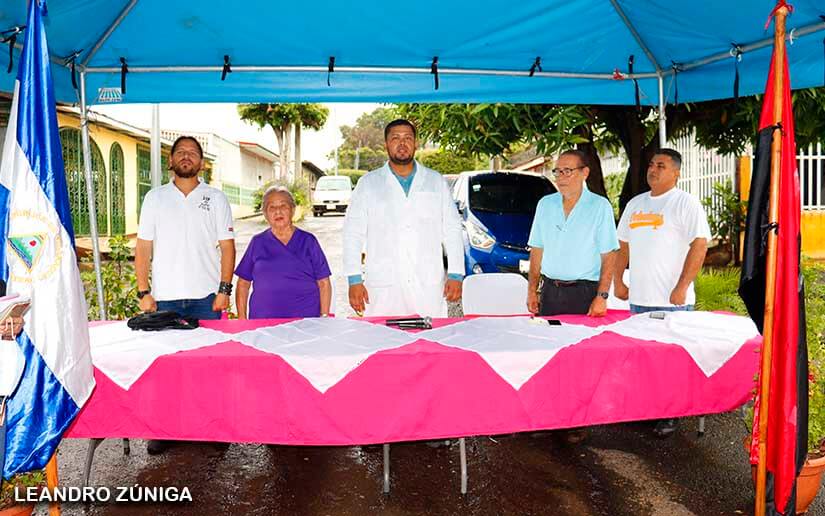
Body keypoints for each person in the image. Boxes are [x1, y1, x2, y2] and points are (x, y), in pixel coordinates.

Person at [134, 135, 236, 454]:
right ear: (171, 160)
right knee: (167, 368)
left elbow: (227, 247)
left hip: (206, 298)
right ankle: (166, 429)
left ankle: (213, 429)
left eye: (192, 153)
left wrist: (224, 289)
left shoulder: (216, 198)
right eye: (181, 152)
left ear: (202, 163)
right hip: (165, 299)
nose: (186, 157)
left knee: (209, 367)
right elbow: (143, 247)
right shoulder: (155, 198)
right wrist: (143, 291)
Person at [614, 148, 711, 437]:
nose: (653, 170)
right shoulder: (635, 204)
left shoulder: (685, 204)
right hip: (638, 299)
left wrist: (682, 286)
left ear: (676, 172)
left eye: (661, 165)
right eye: (652, 164)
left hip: (672, 303)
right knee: (642, 360)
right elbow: (622, 247)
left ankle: (671, 415)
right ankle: (646, 410)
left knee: (670, 362)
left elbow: (700, 244)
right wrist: (618, 281)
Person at [343, 119, 464, 317]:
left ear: (416, 143)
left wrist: (456, 273)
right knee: (384, 341)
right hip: (384, 285)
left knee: (430, 341)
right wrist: (354, 279)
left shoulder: (435, 181)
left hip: (427, 283)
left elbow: (452, 230)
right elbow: (352, 233)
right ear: (386, 144)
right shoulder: (368, 184)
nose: (402, 143)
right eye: (395, 138)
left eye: (408, 138)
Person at [526, 150, 618, 318]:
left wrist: (602, 296)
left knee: (584, 343)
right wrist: (532, 290)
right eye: (557, 171)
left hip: (585, 293)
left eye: (567, 171)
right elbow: (537, 250)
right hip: (550, 292)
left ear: (585, 173)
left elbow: (609, 255)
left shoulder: (599, 206)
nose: (560, 177)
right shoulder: (545, 205)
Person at [235, 186, 332, 319]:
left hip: (305, 322)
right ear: (265, 213)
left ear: (292, 210)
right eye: (272, 208)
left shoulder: (308, 241)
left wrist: (324, 316)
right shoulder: (257, 242)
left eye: (283, 206)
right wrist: (242, 319)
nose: (278, 211)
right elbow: (243, 284)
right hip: (263, 322)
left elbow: (324, 283)